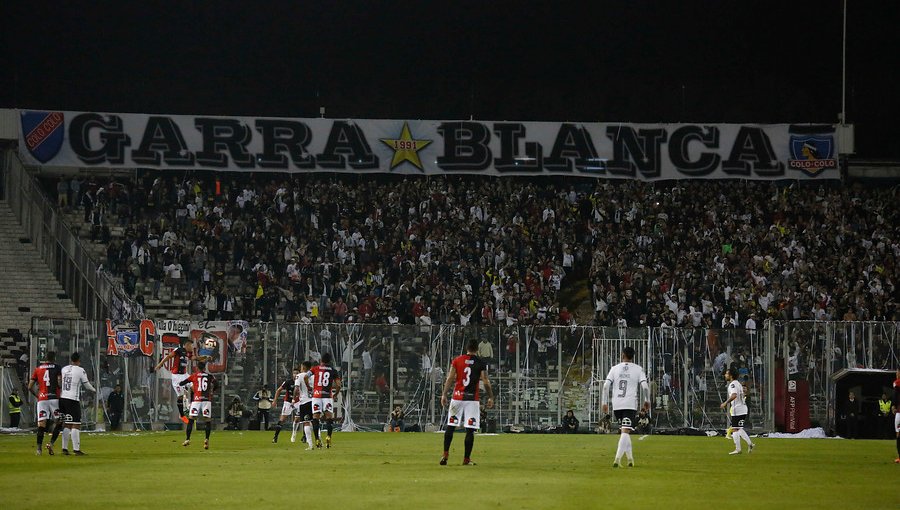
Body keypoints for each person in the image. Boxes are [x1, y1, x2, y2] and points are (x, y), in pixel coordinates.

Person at [440, 338, 494, 466]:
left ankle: (445, 455)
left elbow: (450, 378)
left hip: (457, 398)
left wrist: (444, 394)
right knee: (470, 429)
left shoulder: (457, 360)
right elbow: (485, 381)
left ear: (467, 348)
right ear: (477, 349)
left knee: (451, 426)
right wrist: (491, 396)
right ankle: (466, 459)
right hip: (471, 400)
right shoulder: (480, 362)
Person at [601, 346, 650, 467]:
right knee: (625, 432)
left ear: (622, 354)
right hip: (629, 404)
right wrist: (647, 400)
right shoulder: (638, 369)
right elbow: (645, 387)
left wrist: (604, 402)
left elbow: (606, 386)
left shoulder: (614, 368)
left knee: (625, 430)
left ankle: (630, 460)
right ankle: (617, 459)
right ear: (633, 356)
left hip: (616, 404)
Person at [51, 352, 97, 455]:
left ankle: (64, 448)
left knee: (67, 423)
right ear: (79, 360)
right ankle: (76, 449)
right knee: (76, 424)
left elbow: (59, 382)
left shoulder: (64, 369)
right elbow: (87, 385)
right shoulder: (80, 370)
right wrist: (94, 390)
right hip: (72, 399)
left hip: (63, 398)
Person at [152, 338, 195, 424]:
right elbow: (168, 356)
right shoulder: (178, 350)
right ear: (186, 345)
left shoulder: (188, 353)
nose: (192, 347)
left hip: (185, 375)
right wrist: (160, 364)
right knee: (180, 396)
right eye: (191, 345)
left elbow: (195, 358)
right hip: (177, 376)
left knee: (195, 387)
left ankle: (192, 405)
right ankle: (182, 415)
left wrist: (204, 358)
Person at [27, 351, 62, 456]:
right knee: (59, 422)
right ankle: (50, 444)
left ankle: (38, 450)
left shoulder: (38, 369)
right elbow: (59, 382)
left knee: (41, 424)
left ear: (45, 358)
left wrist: (37, 395)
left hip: (42, 399)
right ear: (54, 358)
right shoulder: (57, 367)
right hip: (54, 398)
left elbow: (29, 387)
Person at [180, 360, 217, 450]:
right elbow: (216, 383)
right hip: (206, 400)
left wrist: (187, 386)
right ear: (204, 368)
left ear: (197, 368)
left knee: (191, 420)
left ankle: (187, 439)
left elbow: (182, 383)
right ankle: (206, 439)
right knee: (207, 420)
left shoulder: (194, 376)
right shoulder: (209, 376)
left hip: (196, 400)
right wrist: (212, 391)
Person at [307, 352, 342, 448]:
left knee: (315, 417)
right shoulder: (333, 371)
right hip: (327, 396)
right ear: (330, 361)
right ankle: (328, 437)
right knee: (329, 417)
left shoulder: (315, 368)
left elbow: (306, 376)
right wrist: (335, 394)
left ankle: (317, 439)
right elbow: (338, 385)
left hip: (316, 396)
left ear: (321, 360)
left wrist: (309, 387)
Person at [721, 367, 755, 455]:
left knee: (735, 429)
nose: (725, 375)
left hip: (738, 409)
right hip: (742, 408)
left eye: (727, 374)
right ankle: (750, 444)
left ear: (731, 375)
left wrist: (725, 403)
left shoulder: (733, 384)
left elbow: (734, 395)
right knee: (738, 428)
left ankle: (738, 449)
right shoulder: (738, 384)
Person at [272, 367, 300, 443]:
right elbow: (279, 390)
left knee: (299, 419)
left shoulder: (302, 382)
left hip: (298, 402)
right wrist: (275, 400)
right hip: (288, 402)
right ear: (292, 374)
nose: (295, 375)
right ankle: (275, 437)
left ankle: (295, 434)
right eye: (294, 373)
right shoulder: (288, 382)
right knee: (282, 419)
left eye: (297, 373)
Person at [291, 361, 315, 449]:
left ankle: (310, 445)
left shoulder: (300, 376)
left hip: (305, 401)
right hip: (315, 400)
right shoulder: (314, 376)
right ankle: (319, 440)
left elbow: (296, 388)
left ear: (303, 367)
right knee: (315, 421)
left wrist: (293, 399)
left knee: (306, 422)